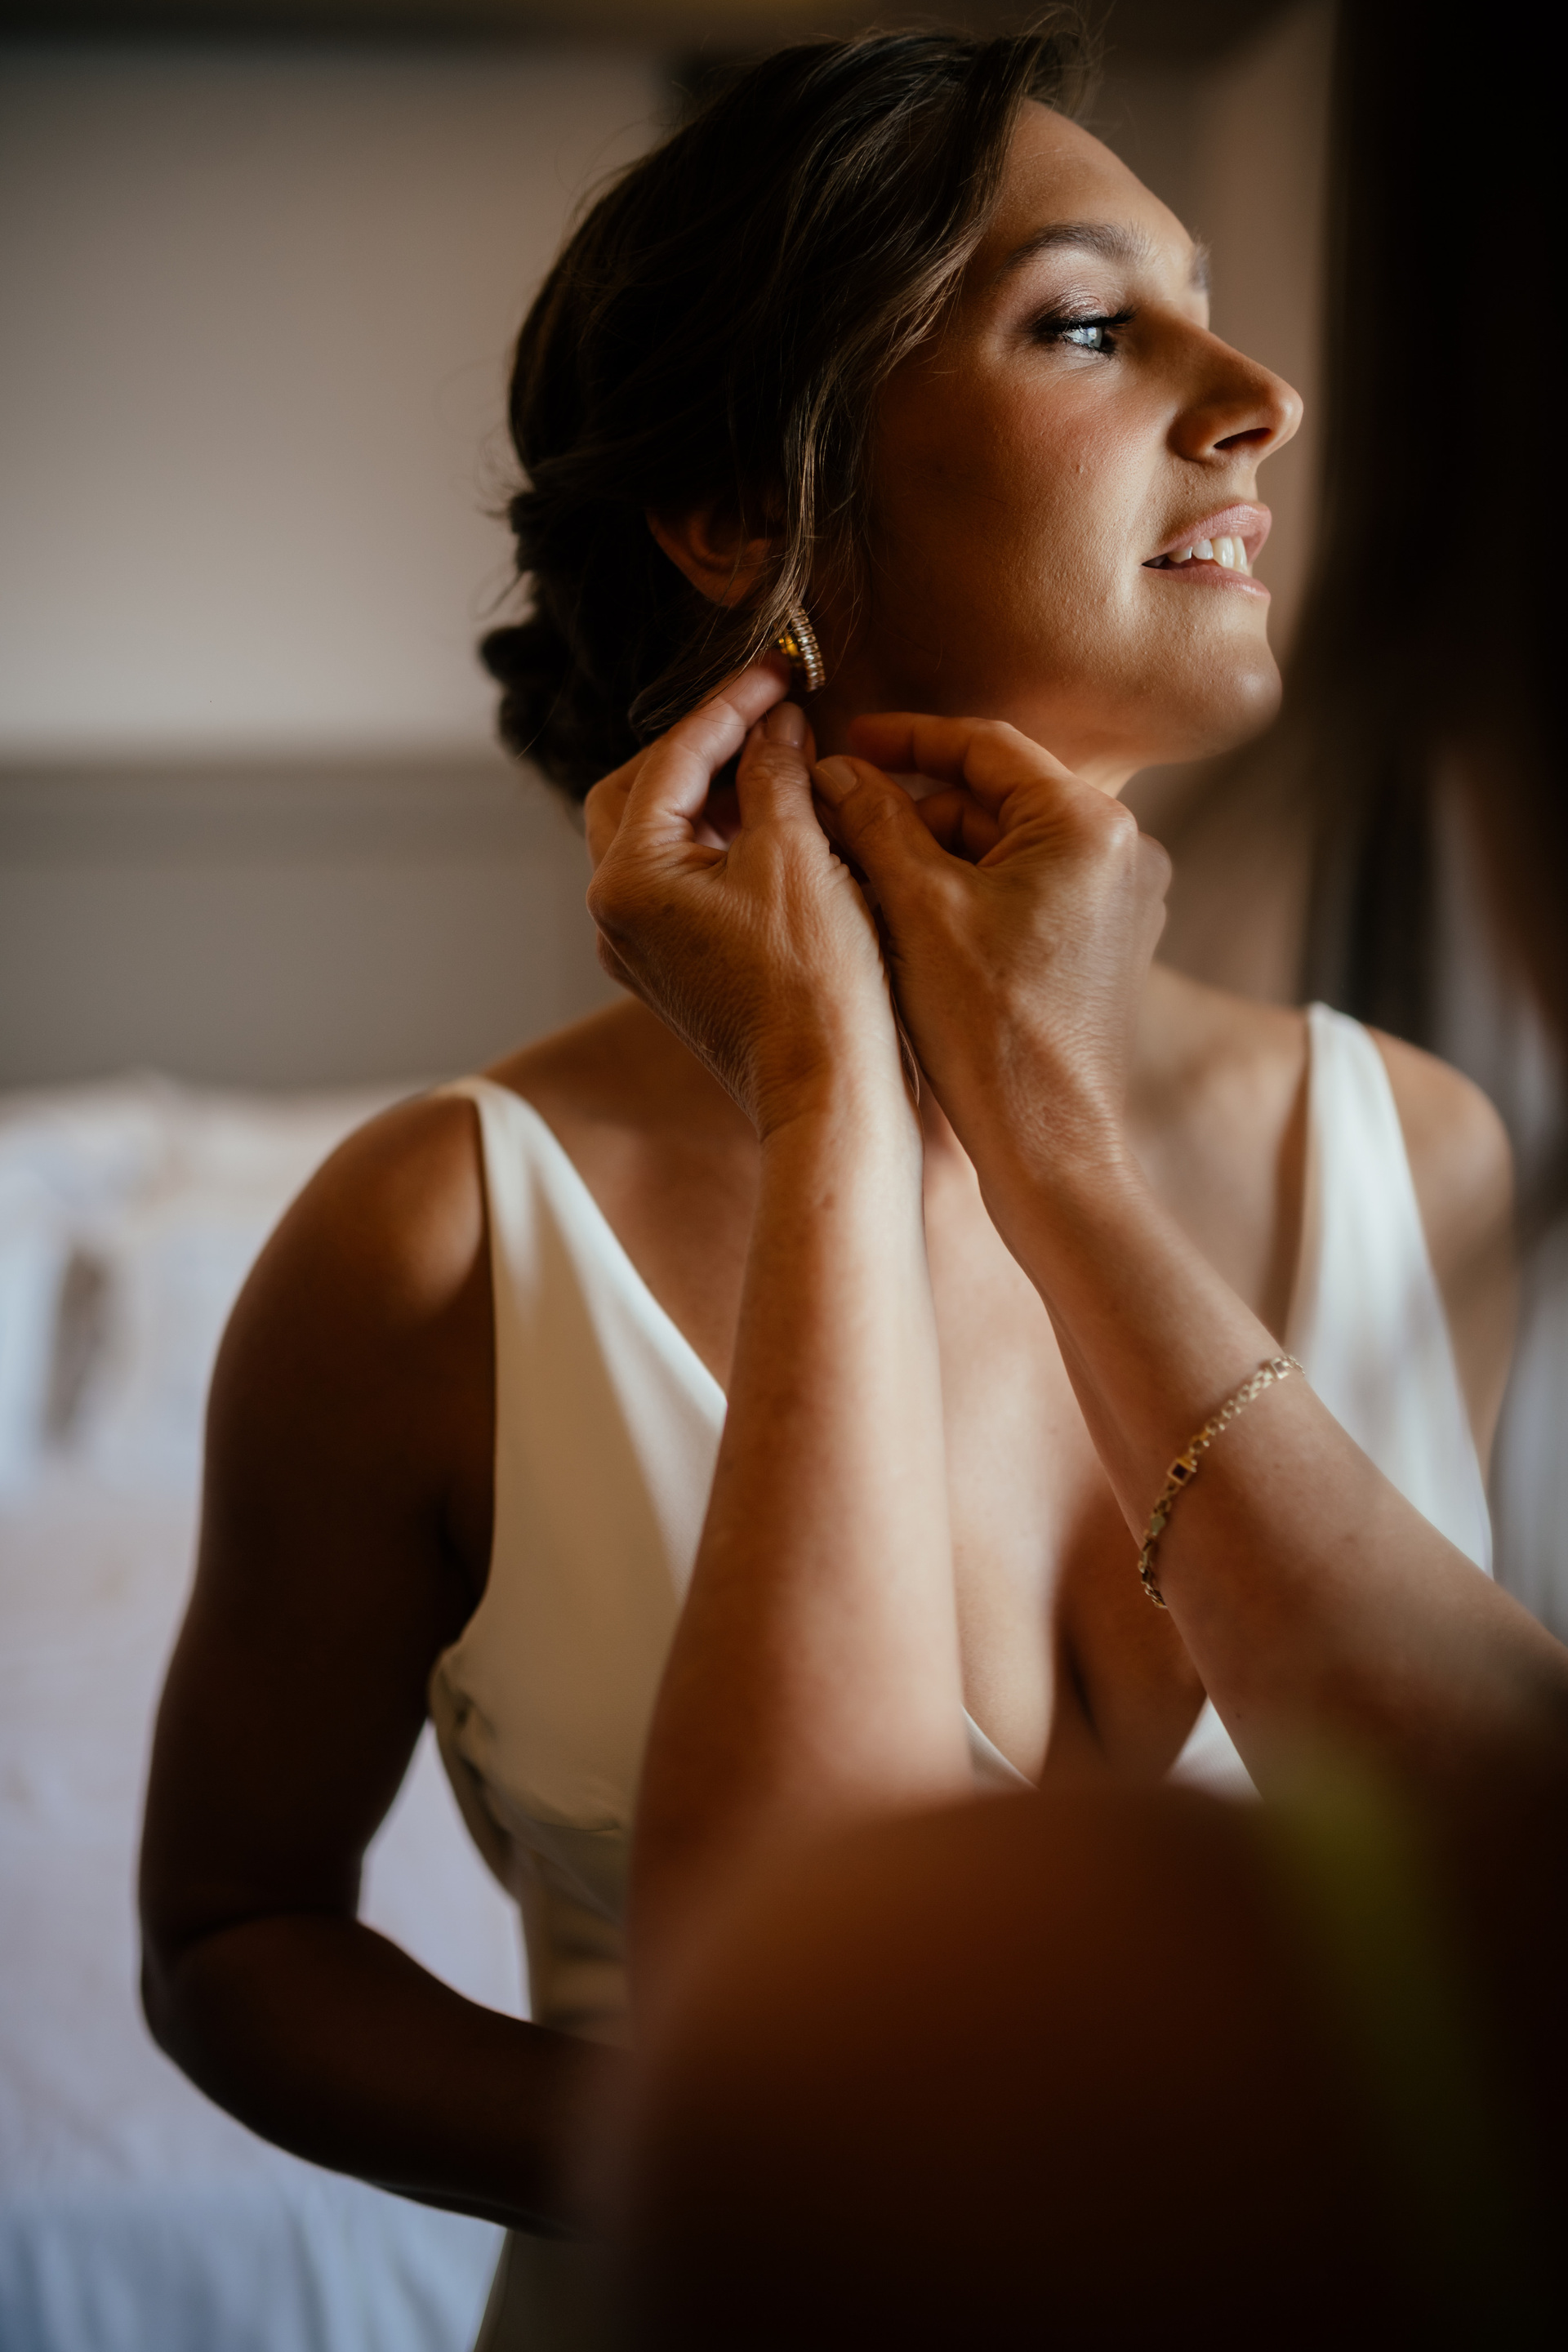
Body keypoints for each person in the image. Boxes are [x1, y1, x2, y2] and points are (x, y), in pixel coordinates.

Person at [137, 20, 1516, 2344]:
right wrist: (774, 2171)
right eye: (1089, 324)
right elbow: (232, 1942)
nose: (1262, 392)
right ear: (736, 511)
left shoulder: (1426, 1153)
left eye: (1204, 306)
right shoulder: (431, 1241)